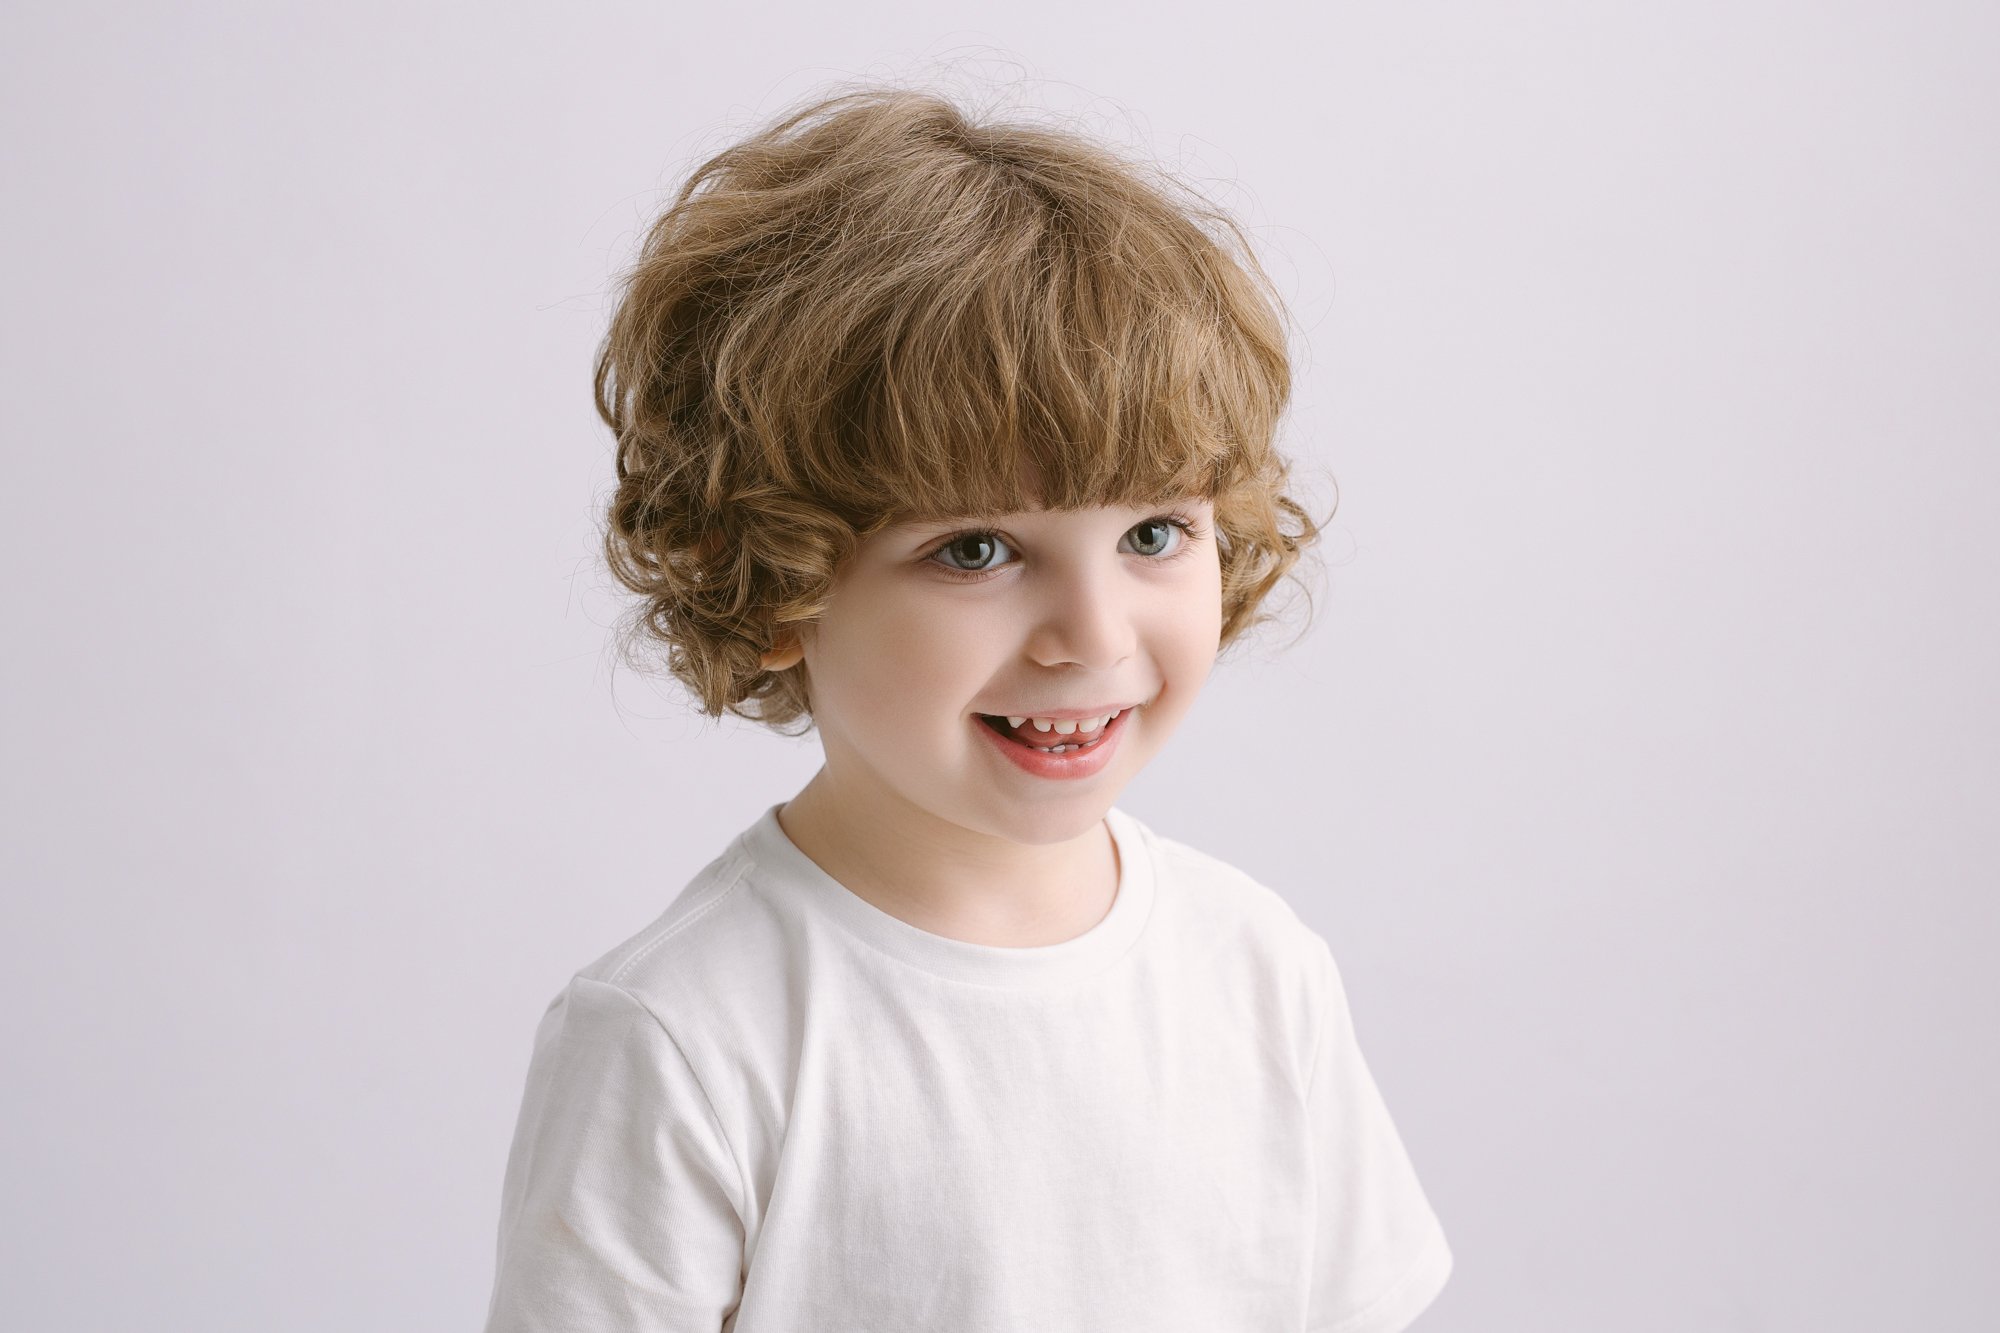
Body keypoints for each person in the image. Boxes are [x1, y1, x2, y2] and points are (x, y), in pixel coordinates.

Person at [483, 83, 1453, 1332]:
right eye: (976, 551)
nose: (1092, 636)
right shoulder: (685, 1037)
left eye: (1154, 531)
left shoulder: (1255, 968)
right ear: (776, 579)